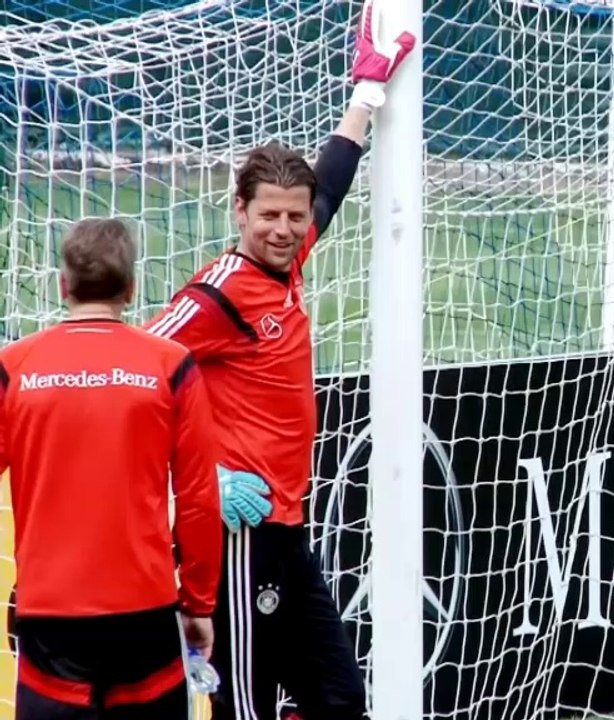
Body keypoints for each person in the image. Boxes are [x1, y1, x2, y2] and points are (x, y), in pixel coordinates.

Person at [143, 5, 416, 719]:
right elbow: (135, 370)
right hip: (238, 537)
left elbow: (328, 184)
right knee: (247, 706)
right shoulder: (220, 290)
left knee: (337, 697)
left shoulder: (285, 268)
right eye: (269, 216)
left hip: (285, 529)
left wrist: (365, 95)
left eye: (295, 217)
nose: (287, 229)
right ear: (240, 211)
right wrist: (205, 477)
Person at [0, 217, 223, 719]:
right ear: (131, 287)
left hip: (50, 613)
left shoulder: (15, 367)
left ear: (63, 285)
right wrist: (200, 603)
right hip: (144, 611)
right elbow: (199, 500)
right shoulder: (172, 365)